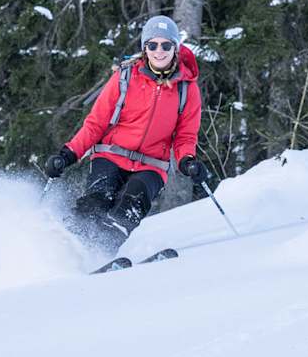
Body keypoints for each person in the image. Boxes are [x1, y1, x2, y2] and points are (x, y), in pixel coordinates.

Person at [45, 15, 210, 252]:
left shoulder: (187, 88)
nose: (159, 51)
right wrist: (69, 153)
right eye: (152, 45)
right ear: (145, 48)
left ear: (176, 48)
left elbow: (186, 136)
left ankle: (100, 255)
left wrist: (187, 161)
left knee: (130, 207)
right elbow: (96, 123)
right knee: (97, 201)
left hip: (152, 166)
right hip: (110, 155)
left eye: (166, 45)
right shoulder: (125, 77)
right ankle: (65, 250)